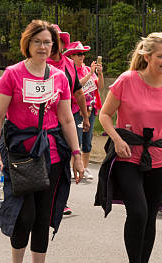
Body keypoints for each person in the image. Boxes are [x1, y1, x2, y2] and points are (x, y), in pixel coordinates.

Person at [0, 20, 84, 263]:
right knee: (24, 216)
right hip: (20, 155)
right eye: (38, 41)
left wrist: (77, 154)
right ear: (27, 44)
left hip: (52, 154)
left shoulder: (59, 77)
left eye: (48, 43)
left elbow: (66, 118)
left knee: (43, 217)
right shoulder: (12, 74)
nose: (44, 47)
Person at [96, 32, 162, 263]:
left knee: (150, 216)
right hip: (128, 156)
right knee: (137, 212)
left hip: (159, 158)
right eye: (161, 56)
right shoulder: (127, 80)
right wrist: (115, 139)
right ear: (147, 56)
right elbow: (104, 114)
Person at [48, 25, 90, 215]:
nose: (56, 44)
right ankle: (42, 197)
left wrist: (85, 116)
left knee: (65, 158)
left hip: (69, 116)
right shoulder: (41, 62)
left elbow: (78, 92)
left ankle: (61, 200)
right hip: (45, 119)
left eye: (58, 41)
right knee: (46, 158)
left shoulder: (69, 64)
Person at [63, 40, 104, 180]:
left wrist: (99, 73)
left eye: (83, 54)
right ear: (72, 57)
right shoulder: (70, 71)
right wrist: (91, 73)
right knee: (77, 141)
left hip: (91, 110)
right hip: (77, 111)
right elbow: (77, 86)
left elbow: (100, 86)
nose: (82, 57)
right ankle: (74, 167)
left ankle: (84, 168)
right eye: (78, 54)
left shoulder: (87, 69)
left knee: (88, 141)